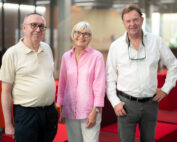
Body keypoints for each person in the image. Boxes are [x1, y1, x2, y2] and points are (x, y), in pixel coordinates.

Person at [106, 4, 177, 142]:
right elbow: (109, 78)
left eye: (135, 19)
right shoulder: (116, 46)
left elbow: (174, 64)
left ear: (142, 20)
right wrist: (115, 102)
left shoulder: (156, 41)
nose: (132, 24)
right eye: (128, 21)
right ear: (123, 23)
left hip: (151, 104)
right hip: (125, 105)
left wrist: (166, 89)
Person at [0, 13, 58, 142]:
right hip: (26, 115)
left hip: (49, 112)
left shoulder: (47, 48)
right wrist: (8, 124)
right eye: (33, 25)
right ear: (24, 28)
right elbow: (5, 92)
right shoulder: (12, 54)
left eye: (41, 26)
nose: (38, 29)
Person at [57, 21, 105, 142]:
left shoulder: (97, 57)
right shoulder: (66, 57)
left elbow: (100, 86)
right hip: (70, 110)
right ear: (73, 35)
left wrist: (95, 111)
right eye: (78, 32)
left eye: (86, 34)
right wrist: (61, 107)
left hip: (90, 111)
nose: (81, 36)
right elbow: (63, 83)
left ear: (90, 38)